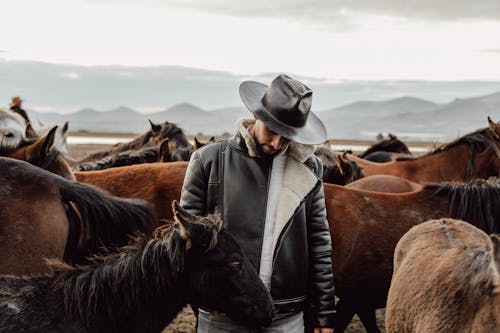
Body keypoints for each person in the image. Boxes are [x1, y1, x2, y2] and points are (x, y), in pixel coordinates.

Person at [180, 74, 335, 333]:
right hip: (223, 314)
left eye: (286, 137)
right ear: (256, 115)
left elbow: (319, 242)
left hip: (286, 316)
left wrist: (325, 312)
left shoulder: (310, 170)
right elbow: (186, 241)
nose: (276, 143)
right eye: (272, 130)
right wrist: (204, 295)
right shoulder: (207, 161)